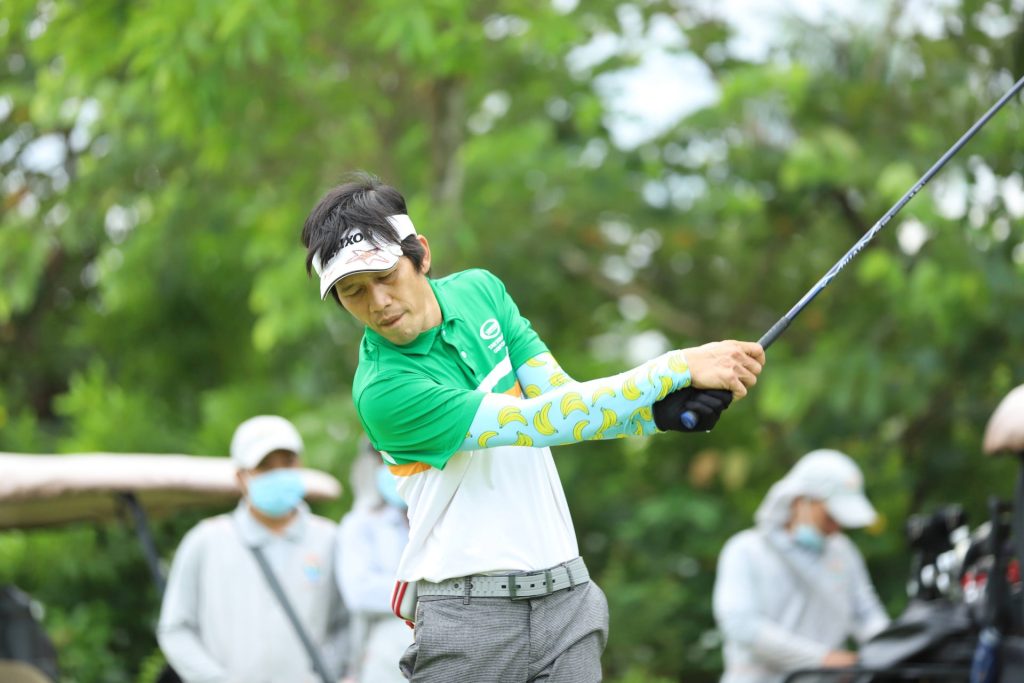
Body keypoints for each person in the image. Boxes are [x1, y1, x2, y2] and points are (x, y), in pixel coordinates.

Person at [300, 173, 765, 682]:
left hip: (567, 599)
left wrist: (656, 415)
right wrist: (675, 367)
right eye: (353, 291)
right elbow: (535, 422)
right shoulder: (384, 389)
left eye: (386, 276)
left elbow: (560, 399)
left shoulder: (481, 292)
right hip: (469, 618)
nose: (378, 302)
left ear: (421, 255)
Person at [157, 415, 349, 683]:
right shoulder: (205, 541)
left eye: (288, 462)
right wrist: (215, 679)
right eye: (265, 466)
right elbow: (176, 629)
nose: (279, 474)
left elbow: (347, 624)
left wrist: (324, 674)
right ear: (241, 477)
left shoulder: (330, 539)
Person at [712, 448, 890, 683]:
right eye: (830, 517)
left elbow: (867, 614)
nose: (836, 528)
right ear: (800, 501)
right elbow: (742, 626)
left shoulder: (843, 552)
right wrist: (822, 660)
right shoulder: (746, 550)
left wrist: (894, 651)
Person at [336, 439, 413, 683]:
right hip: (385, 652)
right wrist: (428, 590)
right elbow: (360, 592)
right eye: (383, 460)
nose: (390, 467)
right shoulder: (360, 523)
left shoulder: (439, 516)